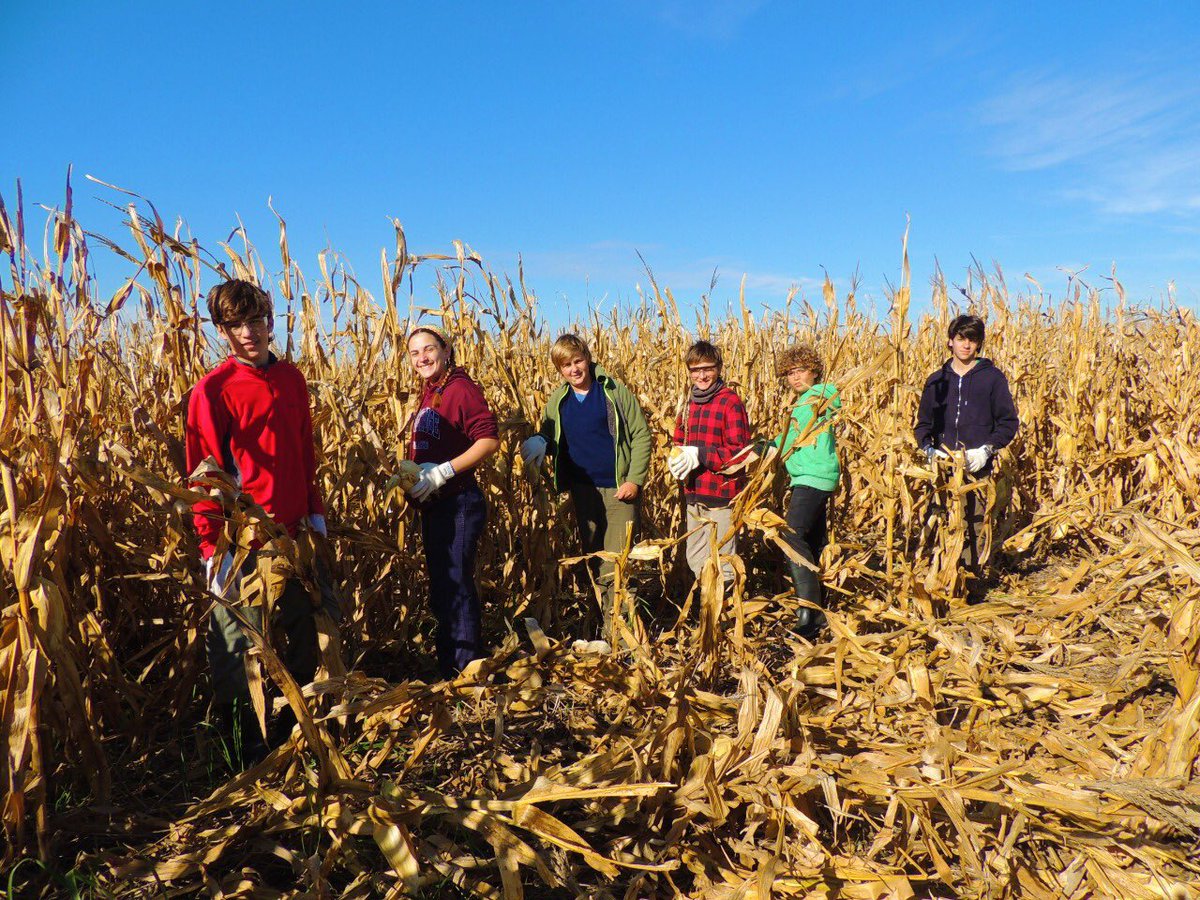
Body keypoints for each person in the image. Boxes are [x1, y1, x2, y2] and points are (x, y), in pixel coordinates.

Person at [186, 279, 337, 764]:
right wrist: (212, 551)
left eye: (255, 320)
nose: (248, 332)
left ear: (270, 322)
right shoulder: (212, 391)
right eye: (235, 325)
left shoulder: (291, 379)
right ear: (221, 331)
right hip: (242, 543)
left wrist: (314, 513)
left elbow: (304, 452)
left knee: (311, 631)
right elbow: (205, 475)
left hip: (295, 535)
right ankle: (243, 746)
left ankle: (301, 726)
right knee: (238, 649)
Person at [520, 334, 652, 647]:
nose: (574, 369)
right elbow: (551, 434)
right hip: (584, 492)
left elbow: (641, 435)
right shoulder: (560, 399)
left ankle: (625, 643)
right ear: (559, 369)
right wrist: (541, 441)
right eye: (566, 365)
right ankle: (607, 634)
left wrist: (634, 480)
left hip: (618, 490)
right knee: (595, 562)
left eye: (578, 361)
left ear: (588, 358)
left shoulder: (612, 391)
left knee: (618, 565)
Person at [405, 325, 499, 678]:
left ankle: (466, 674)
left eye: (429, 349)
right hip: (437, 504)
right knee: (444, 587)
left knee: (456, 586)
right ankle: (450, 669)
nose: (422, 358)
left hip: (458, 502)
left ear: (446, 350)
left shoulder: (460, 388)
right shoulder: (432, 390)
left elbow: (489, 440)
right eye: (414, 353)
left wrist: (443, 472)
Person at [914, 314, 1019, 581]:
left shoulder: (992, 379)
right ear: (950, 341)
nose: (966, 345)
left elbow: (1008, 422)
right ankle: (938, 580)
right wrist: (929, 449)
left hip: (976, 469)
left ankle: (971, 585)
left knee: (974, 525)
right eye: (961, 338)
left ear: (979, 344)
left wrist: (986, 450)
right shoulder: (936, 381)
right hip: (942, 469)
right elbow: (923, 425)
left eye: (972, 340)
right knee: (938, 521)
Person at [772, 343, 841, 640]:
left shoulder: (818, 396)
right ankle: (819, 613)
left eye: (800, 371)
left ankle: (807, 615)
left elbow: (794, 437)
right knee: (811, 542)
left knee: (791, 536)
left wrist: (768, 449)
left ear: (814, 371)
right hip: (811, 476)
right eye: (790, 373)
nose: (795, 377)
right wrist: (768, 445)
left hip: (813, 476)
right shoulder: (803, 402)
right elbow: (791, 436)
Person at [669, 340, 752, 585]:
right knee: (696, 558)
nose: (702, 376)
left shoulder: (730, 402)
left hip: (722, 497)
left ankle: (725, 608)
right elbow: (679, 440)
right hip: (694, 493)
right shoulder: (688, 403)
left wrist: (700, 454)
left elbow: (740, 453)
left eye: (708, 369)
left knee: (723, 562)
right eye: (695, 370)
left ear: (719, 368)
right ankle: (707, 604)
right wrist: (676, 457)